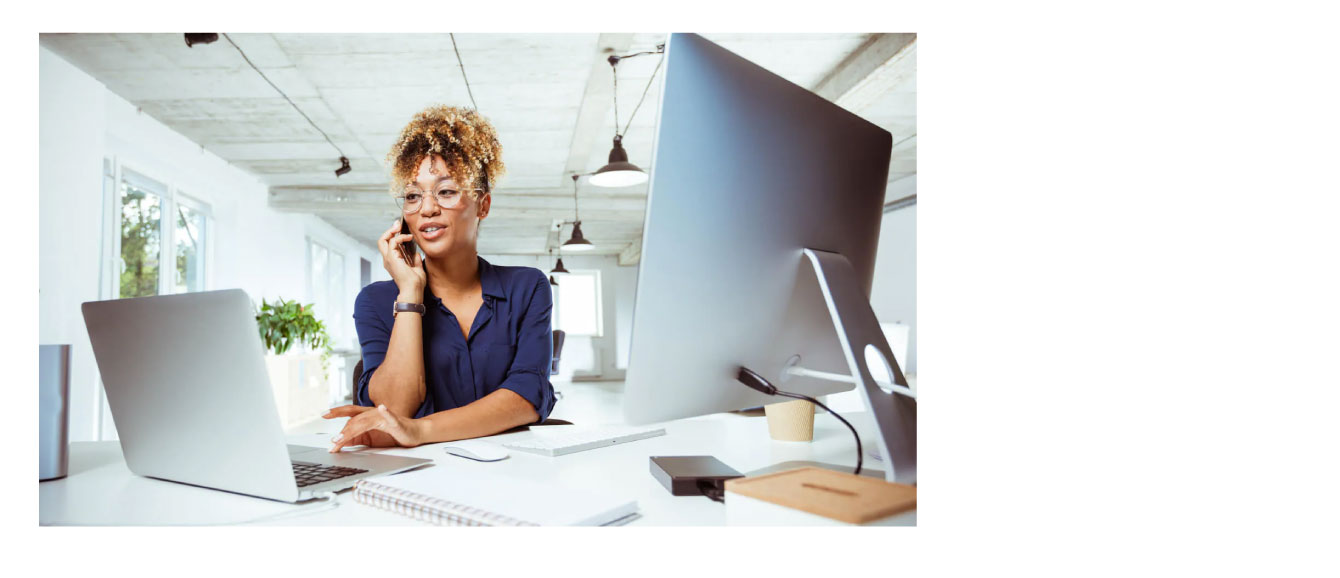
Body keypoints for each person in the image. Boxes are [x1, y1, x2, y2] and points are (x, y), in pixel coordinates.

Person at [324, 105, 556, 452]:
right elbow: (395, 408)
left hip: (513, 468)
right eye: (413, 196)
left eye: (446, 191)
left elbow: (525, 397)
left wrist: (418, 430)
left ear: (483, 205)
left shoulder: (526, 288)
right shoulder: (374, 302)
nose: (427, 208)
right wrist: (410, 294)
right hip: (418, 476)